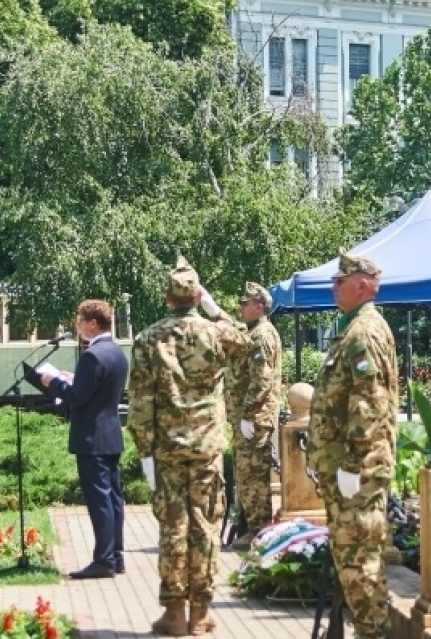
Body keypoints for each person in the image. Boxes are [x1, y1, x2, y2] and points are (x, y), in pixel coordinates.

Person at [128, 257, 248, 636]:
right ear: (197, 296)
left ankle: (174, 613)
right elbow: (246, 339)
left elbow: (140, 404)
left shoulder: (149, 338)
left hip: (168, 451)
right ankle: (201, 613)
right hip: (207, 449)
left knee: (173, 528)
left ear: (167, 298)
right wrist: (214, 309)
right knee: (205, 526)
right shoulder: (216, 334)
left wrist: (145, 452)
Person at [307, 253, 398, 639]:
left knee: (360, 563)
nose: (334, 287)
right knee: (352, 560)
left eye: (340, 281)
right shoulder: (352, 328)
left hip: (358, 472)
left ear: (362, 285)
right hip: (349, 470)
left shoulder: (363, 332)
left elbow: (369, 404)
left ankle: (372, 633)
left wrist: (351, 464)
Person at [35, 299, 129, 580]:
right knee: (113, 499)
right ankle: (116, 557)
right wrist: (75, 377)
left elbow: (78, 397)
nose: (77, 326)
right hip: (111, 434)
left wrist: (54, 382)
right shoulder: (116, 352)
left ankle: (103, 560)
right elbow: (98, 388)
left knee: (100, 500)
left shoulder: (91, 355)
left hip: (91, 438)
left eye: (79, 321)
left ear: (92, 324)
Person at [226, 282, 282, 551]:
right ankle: (252, 527)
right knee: (247, 477)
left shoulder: (262, 335)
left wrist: (248, 414)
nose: (241, 307)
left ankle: (259, 531)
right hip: (249, 418)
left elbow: (262, 379)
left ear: (259, 307)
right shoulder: (252, 332)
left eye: (245, 303)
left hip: (255, 418)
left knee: (253, 479)